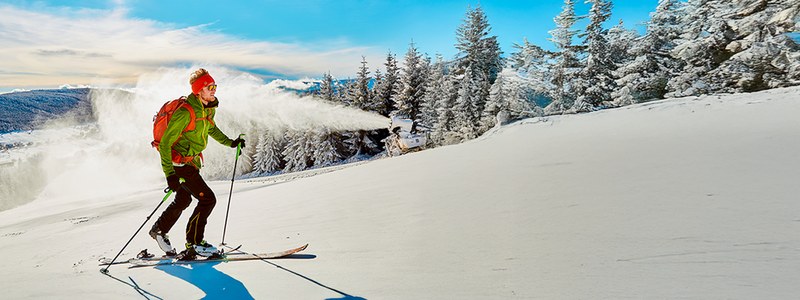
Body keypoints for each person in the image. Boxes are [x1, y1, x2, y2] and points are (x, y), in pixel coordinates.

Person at [149, 68, 245, 260]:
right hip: (180, 165)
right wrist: (170, 175)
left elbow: (212, 129)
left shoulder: (205, 109)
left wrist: (231, 142)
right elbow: (166, 144)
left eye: (215, 86)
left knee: (184, 199)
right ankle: (194, 243)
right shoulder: (186, 112)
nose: (214, 90)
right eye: (210, 87)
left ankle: (159, 230)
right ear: (198, 90)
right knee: (208, 199)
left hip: (191, 163)